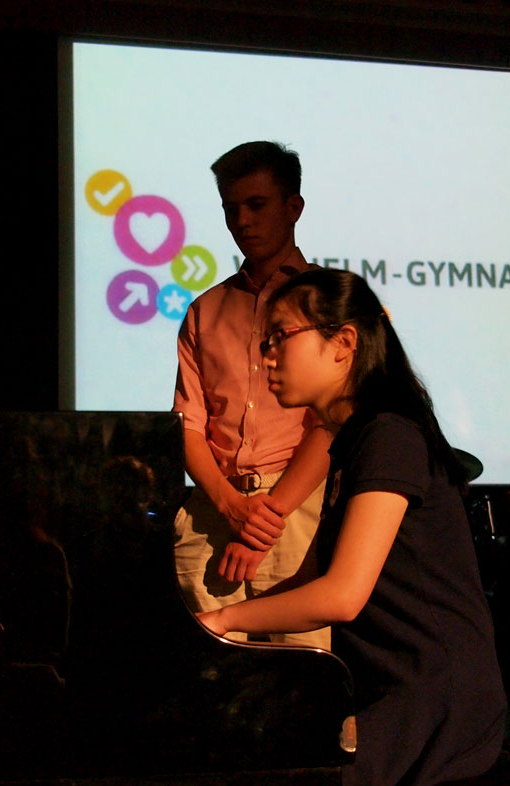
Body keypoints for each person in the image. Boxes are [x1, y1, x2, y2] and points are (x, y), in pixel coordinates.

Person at [162, 268, 507, 786]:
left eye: (280, 338)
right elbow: (309, 582)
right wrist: (215, 628)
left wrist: (225, 620)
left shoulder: (391, 435)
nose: (266, 356)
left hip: (431, 697)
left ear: (343, 343)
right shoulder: (356, 443)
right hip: (379, 687)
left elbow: (342, 595)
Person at [173, 141, 332, 647]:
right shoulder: (205, 309)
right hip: (213, 512)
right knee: (210, 676)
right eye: (230, 209)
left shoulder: (331, 301)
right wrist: (228, 505)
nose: (242, 221)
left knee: (301, 679)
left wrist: (269, 516)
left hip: (299, 509)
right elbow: (188, 426)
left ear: (293, 207)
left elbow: (331, 424)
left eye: (257, 205)